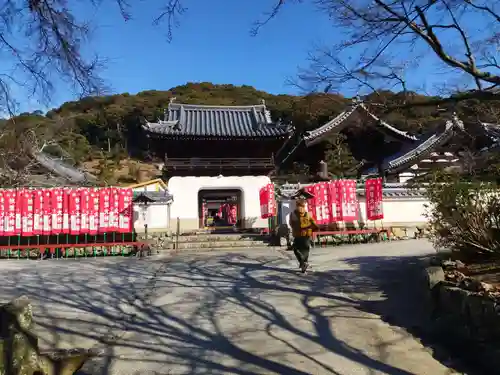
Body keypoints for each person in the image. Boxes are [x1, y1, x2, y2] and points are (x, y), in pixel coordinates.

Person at [288, 199, 319, 273]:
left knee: (296, 249)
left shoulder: (293, 214)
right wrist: (313, 230)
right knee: (305, 250)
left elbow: (291, 224)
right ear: (304, 205)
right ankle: (304, 263)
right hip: (306, 235)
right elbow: (314, 224)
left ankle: (302, 263)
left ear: (296, 205)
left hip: (297, 235)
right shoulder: (308, 214)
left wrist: (296, 228)